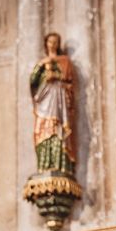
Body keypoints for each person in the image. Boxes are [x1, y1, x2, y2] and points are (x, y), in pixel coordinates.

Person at [30, 32, 76, 174]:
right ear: (46, 43)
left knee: (58, 131)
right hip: (44, 99)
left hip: (59, 100)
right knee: (41, 130)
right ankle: (44, 165)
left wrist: (55, 75)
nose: (53, 44)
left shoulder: (64, 61)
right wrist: (41, 67)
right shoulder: (42, 63)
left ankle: (60, 164)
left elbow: (69, 81)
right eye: (50, 41)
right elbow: (33, 82)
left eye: (56, 42)